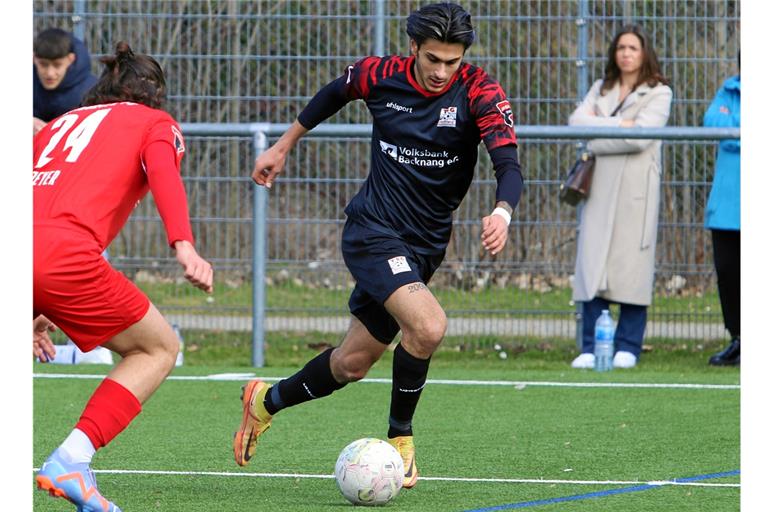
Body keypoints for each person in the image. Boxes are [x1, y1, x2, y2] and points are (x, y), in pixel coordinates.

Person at [233, 2, 523, 489]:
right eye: (433, 58)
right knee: (429, 327)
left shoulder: (479, 90)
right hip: (372, 232)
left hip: (425, 245)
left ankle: (264, 401)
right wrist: (283, 145)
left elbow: (507, 162)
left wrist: (502, 211)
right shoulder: (381, 75)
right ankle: (400, 438)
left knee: (351, 364)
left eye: (451, 61)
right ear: (413, 48)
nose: (440, 71)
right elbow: (333, 93)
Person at [33, 42, 213, 511]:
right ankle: (72, 458)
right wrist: (184, 244)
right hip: (63, 258)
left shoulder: (58, 125)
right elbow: (163, 174)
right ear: (154, 96)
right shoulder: (154, 123)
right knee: (158, 347)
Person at [567, 24, 672, 370]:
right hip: (599, 188)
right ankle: (589, 346)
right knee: (592, 263)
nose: (626, 53)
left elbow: (640, 139)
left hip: (636, 191)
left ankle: (628, 344)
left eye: (633, 48)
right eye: (621, 47)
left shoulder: (659, 92)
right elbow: (575, 122)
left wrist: (598, 134)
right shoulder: (602, 87)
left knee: (631, 266)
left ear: (644, 53)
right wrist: (622, 126)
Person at [704, 57, 740, 367]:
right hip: (728, 207)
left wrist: (737, 130)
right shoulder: (729, 91)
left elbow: (732, 131)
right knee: (729, 274)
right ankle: (739, 339)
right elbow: (713, 122)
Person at [34, 28, 98, 135]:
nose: (50, 73)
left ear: (70, 59)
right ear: (33, 58)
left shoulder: (91, 90)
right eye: (43, 64)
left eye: (57, 65)